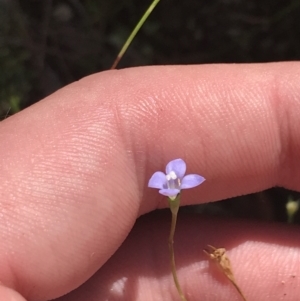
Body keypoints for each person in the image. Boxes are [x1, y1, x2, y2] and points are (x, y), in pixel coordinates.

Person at [0, 63, 299, 301]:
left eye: (176, 183)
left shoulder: (180, 179)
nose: (173, 182)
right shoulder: (167, 181)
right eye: (171, 183)